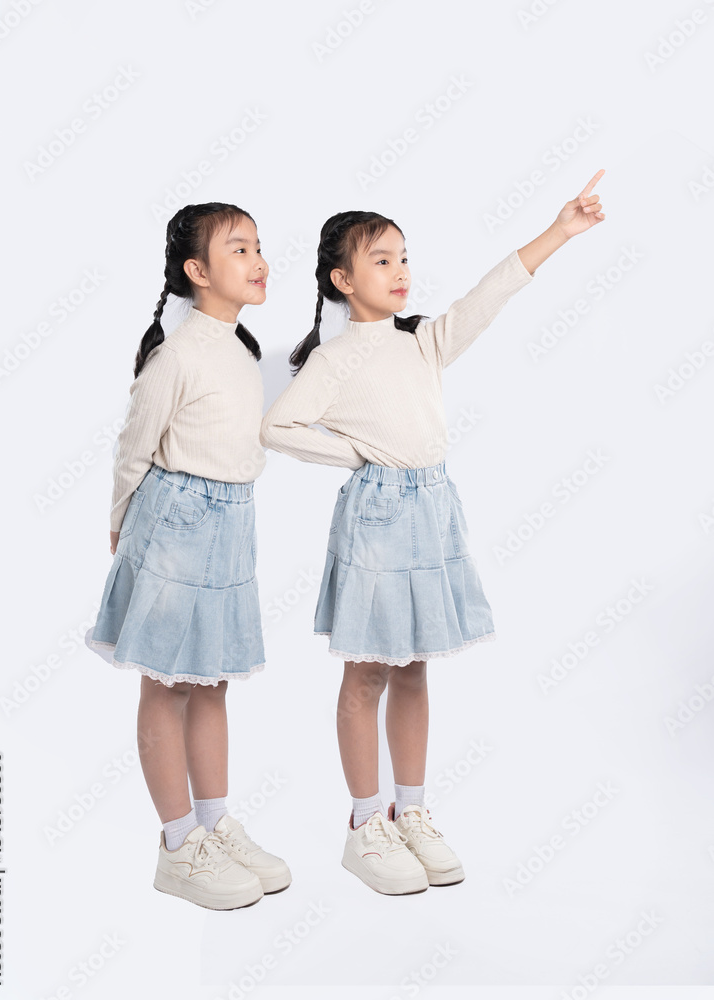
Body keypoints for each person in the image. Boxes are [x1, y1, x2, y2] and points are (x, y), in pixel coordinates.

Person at [259, 171, 606, 894]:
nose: (400, 272)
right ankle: (364, 823)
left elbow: (489, 295)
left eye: (404, 257)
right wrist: (358, 454)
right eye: (381, 260)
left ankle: (409, 809)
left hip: (432, 510)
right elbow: (278, 425)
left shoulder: (421, 343)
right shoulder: (334, 358)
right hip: (379, 518)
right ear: (341, 279)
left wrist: (560, 230)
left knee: (415, 665)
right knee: (368, 670)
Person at [84, 202, 291, 910]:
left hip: (232, 524)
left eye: (259, 246)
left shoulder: (240, 350)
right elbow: (133, 446)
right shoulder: (178, 354)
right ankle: (178, 844)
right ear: (197, 272)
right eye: (239, 249)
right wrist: (121, 524)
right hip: (175, 521)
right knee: (168, 682)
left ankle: (212, 823)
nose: (258, 259)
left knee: (212, 680)